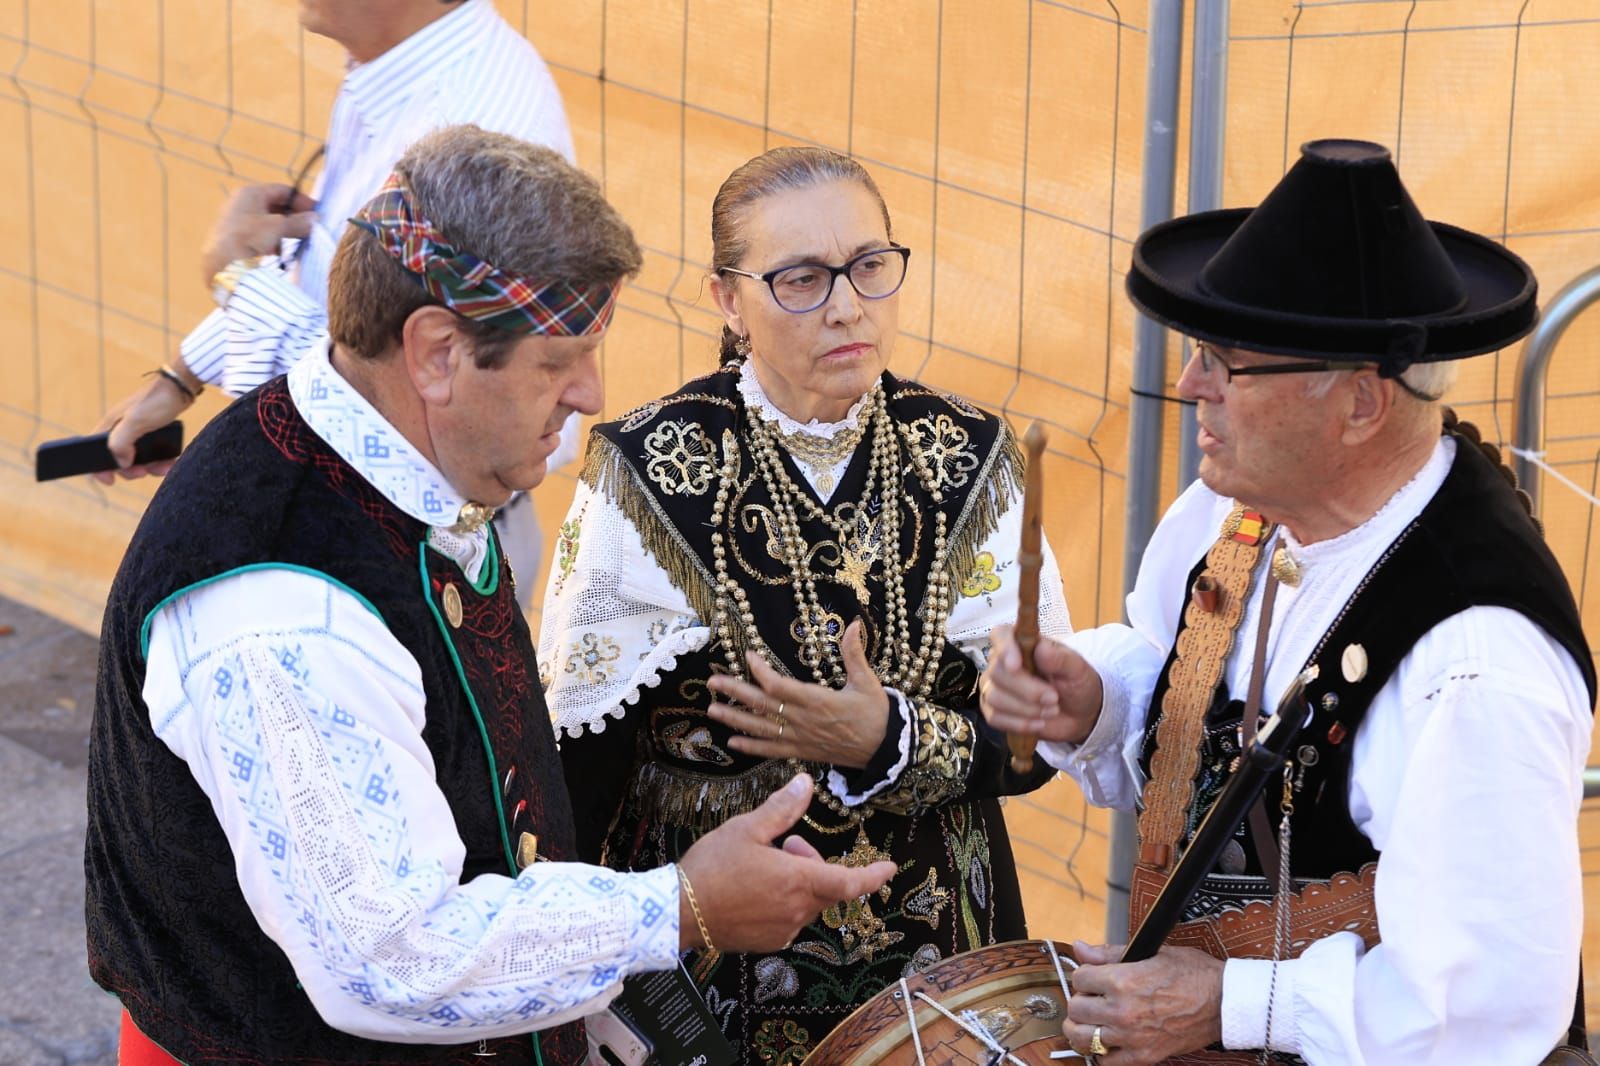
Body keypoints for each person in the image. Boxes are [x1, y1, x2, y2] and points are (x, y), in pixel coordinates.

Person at [86, 126, 895, 1066]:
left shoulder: (384, 424)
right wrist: (678, 907)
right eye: (559, 363)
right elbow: (393, 959)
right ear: (435, 353)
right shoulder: (280, 611)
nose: (591, 395)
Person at [979, 138, 1596, 1064]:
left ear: (1357, 406)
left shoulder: (1476, 661)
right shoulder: (1234, 509)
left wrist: (1233, 1004)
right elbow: (1173, 659)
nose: (1189, 387)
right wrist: (1093, 698)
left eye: (1227, 363)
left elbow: (1485, 1006)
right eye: (1197, 354)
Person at [540, 145, 1073, 1060]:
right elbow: (577, 766)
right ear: (726, 299)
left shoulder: (971, 458)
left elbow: (1035, 747)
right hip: (709, 982)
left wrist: (887, 739)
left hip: (937, 976)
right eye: (800, 278)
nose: (845, 304)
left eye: (869, 266)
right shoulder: (647, 471)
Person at [91, 0, 578, 607]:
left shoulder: (466, 126)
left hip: (418, 560)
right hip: (379, 535)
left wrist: (236, 278)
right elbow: (338, 283)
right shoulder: (400, 69)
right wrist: (181, 377)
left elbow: (383, 396)